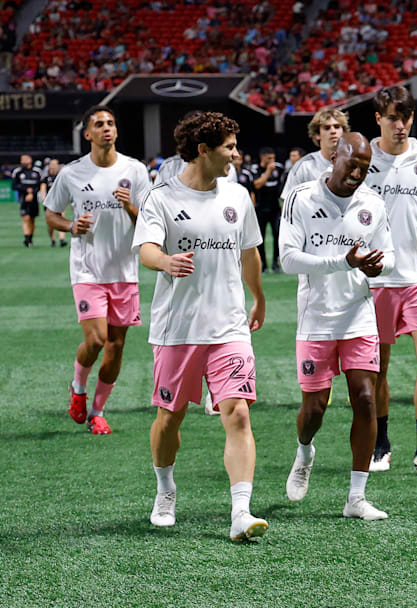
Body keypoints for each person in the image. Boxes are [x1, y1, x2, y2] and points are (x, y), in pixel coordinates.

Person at [132, 111, 269, 541]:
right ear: (203, 150)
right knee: (170, 418)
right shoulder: (162, 198)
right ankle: (165, 489)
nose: (235, 153)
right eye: (228, 146)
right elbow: (147, 250)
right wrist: (166, 261)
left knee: (239, 414)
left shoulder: (238, 196)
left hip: (229, 327)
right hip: (178, 330)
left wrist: (259, 297)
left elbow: (249, 254)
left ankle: (241, 512)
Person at [279, 132, 394, 520]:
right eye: (353, 164)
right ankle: (305, 449)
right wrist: (341, 263)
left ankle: (356, 498)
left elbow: (390, 255)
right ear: (334, 157)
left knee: (365, 397)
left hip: (358, 315)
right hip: (316, 319)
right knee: (314, 408)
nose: (358, 174)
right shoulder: (301, 198)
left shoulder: (372, 204)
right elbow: (288, 259)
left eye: (365, 168)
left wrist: (380, 266)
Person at [44, 106, 152, 435]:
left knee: (116, 346)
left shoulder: (135, 170)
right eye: (98, 124)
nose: (106, 128)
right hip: (87, 269)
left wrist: (129, 206)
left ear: (116, 131)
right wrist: (71, 226)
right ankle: (78, 388)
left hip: (124, 271)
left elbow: (149, 220)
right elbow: (51, 214)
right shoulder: (72, 173)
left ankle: (98, 411)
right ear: (87, 134)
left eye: (111, 123)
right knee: (97, 339)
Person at [363, 86, 417, 475]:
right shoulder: (363, 159)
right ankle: (381, 444)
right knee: (378, 367)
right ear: (378, 119)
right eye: (392, 118)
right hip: (375, 281)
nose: (400, 126)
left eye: (406, 118)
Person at [281, 107, 349, 199]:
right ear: (317, 134)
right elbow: (287, 201)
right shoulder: (304, 166)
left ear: (343, 132)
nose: (333, 131)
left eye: (337, 127)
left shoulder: (355, 163)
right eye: (327, 128)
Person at [252, 147, 285, 272]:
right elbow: (257, 184)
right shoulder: (256, 169)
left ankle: (276, 263)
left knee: (278, 235)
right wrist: (267, 172)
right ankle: (264, 264)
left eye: (273, 158)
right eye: (269, 158)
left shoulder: (279, 169)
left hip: (275, 208)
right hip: (260, 209)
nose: (272, 161)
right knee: (260, 238)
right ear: (262, 158)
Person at [12, 154, 45, 247]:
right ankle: (26, 238)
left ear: (30, 160)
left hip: (34, 199)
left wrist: (32, 193)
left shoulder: (37, 171)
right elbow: (14, 185)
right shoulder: (17, 172)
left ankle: (30, 237)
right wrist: (26, 190)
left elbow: (41, 184)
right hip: (23, 198)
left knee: (32, 219)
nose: (23, 161)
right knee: (25, 218)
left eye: (25, 159)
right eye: (22, 160)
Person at [42, 158, 67, 247]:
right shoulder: (46, 176)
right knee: (51, 223)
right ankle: (52, 240)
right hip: (49, 202)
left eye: (55, 164)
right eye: (51, 164)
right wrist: (44, 199)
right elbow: (43, 188)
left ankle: (62, 239)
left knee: (61, 219)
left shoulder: (61, 176)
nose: (53, 166)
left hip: (60, 200)